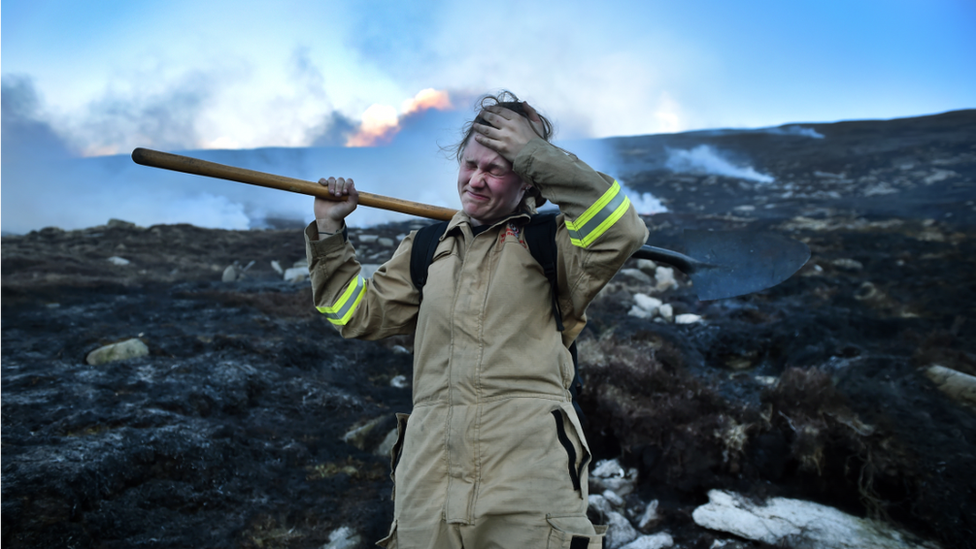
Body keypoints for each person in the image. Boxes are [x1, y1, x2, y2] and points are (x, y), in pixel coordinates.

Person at [305, 91, 649, 549]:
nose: (476, 181)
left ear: (530, 182)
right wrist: (329, 232)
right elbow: (355, 314)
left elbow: (620, 229)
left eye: (496, 169)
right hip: (429, 477)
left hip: (528, 477)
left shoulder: (558, 245)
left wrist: (532, 151)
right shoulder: (427, 247)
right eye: (470, 165)